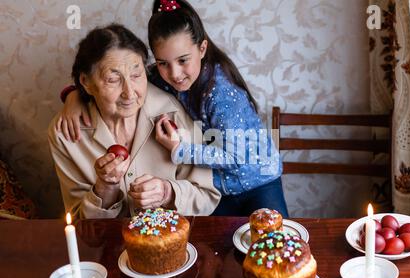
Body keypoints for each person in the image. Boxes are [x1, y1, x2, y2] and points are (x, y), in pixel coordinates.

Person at [56, 0, 289, 217]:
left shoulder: (222, 94)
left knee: (276, 245)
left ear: (202, 48)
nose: (175, 74)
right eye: (163, 63)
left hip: (258, 182)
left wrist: (180, 150)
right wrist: (75, 94)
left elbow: (237, 158)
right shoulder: (157, 77)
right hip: (219, 187)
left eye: (183, 60)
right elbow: (128, 76)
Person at [48, 23, 220, 219]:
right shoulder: (66, 133)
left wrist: (167, 193)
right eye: (113, 80)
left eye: (137, 75)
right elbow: (79, 224)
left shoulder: (172, 112)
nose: (129, 93)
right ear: (86, 83)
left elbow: (208, 196)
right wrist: (105, 188)